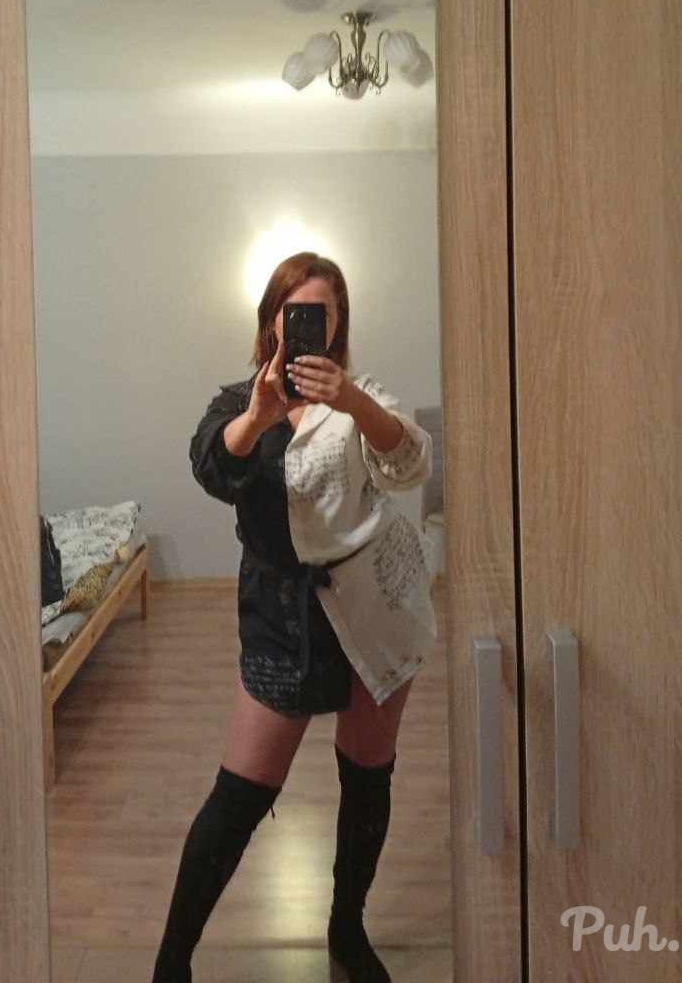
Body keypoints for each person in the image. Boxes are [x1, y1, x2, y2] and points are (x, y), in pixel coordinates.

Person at [151, 252, 438, 983]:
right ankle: (171, 963)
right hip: (282, 619)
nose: (309, 324)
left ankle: (346, 930)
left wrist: (352, 403)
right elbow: (213, 468)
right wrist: (259, 415)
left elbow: (409, 465)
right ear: (272, 321)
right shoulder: (237, 402)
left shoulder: (363, 398)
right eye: (295, 312)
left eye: (323, 314)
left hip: (375, 608)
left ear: (338, 326)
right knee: (241, 794)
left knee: (367, 778)